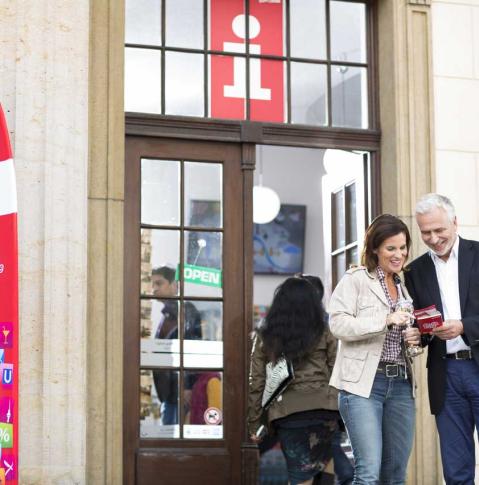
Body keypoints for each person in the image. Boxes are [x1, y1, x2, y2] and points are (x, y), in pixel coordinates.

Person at [329, 214, 418, 485]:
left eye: (402, 248)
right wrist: (385, 320)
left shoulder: (403, 286)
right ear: (375, 249)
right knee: (368, 474)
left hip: (401, 383)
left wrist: (413, 336)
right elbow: (338, 324)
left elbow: (401, 335)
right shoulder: (356, 279)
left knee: (395, 475)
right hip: (363, 385)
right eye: (391, 248)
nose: (398, 254)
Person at [404, 193, 479, 485]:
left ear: (455, 223)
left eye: (439, 230)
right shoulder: (414, 270)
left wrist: (463, 327)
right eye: (426, 232)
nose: (434, 238)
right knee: (456, 469)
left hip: (476, 364)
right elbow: (421, 323)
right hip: (445, 374)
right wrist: (416, 335)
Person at [248, 277, 339, 485]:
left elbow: (257, 382)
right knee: (325, 473)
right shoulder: (325, 331)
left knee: (300, 478)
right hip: (325, 411)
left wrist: (255, 424)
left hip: (288, 414)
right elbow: (338, 371)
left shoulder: (265, 336)